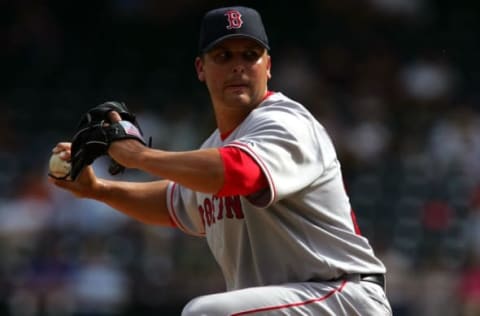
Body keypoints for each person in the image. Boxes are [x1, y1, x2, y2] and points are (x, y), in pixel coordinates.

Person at [50, 6, 392, 315]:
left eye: (250, 54)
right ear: (201, 67)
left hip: (342, 298)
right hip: (298, 301)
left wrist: (139, 156)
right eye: (223, 55)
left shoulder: (285, 121)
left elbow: (239, 172)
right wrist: (99, 190)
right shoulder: (214, 147)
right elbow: (173, 203)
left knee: (206, 314)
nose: (238, 66)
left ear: (268, 66)